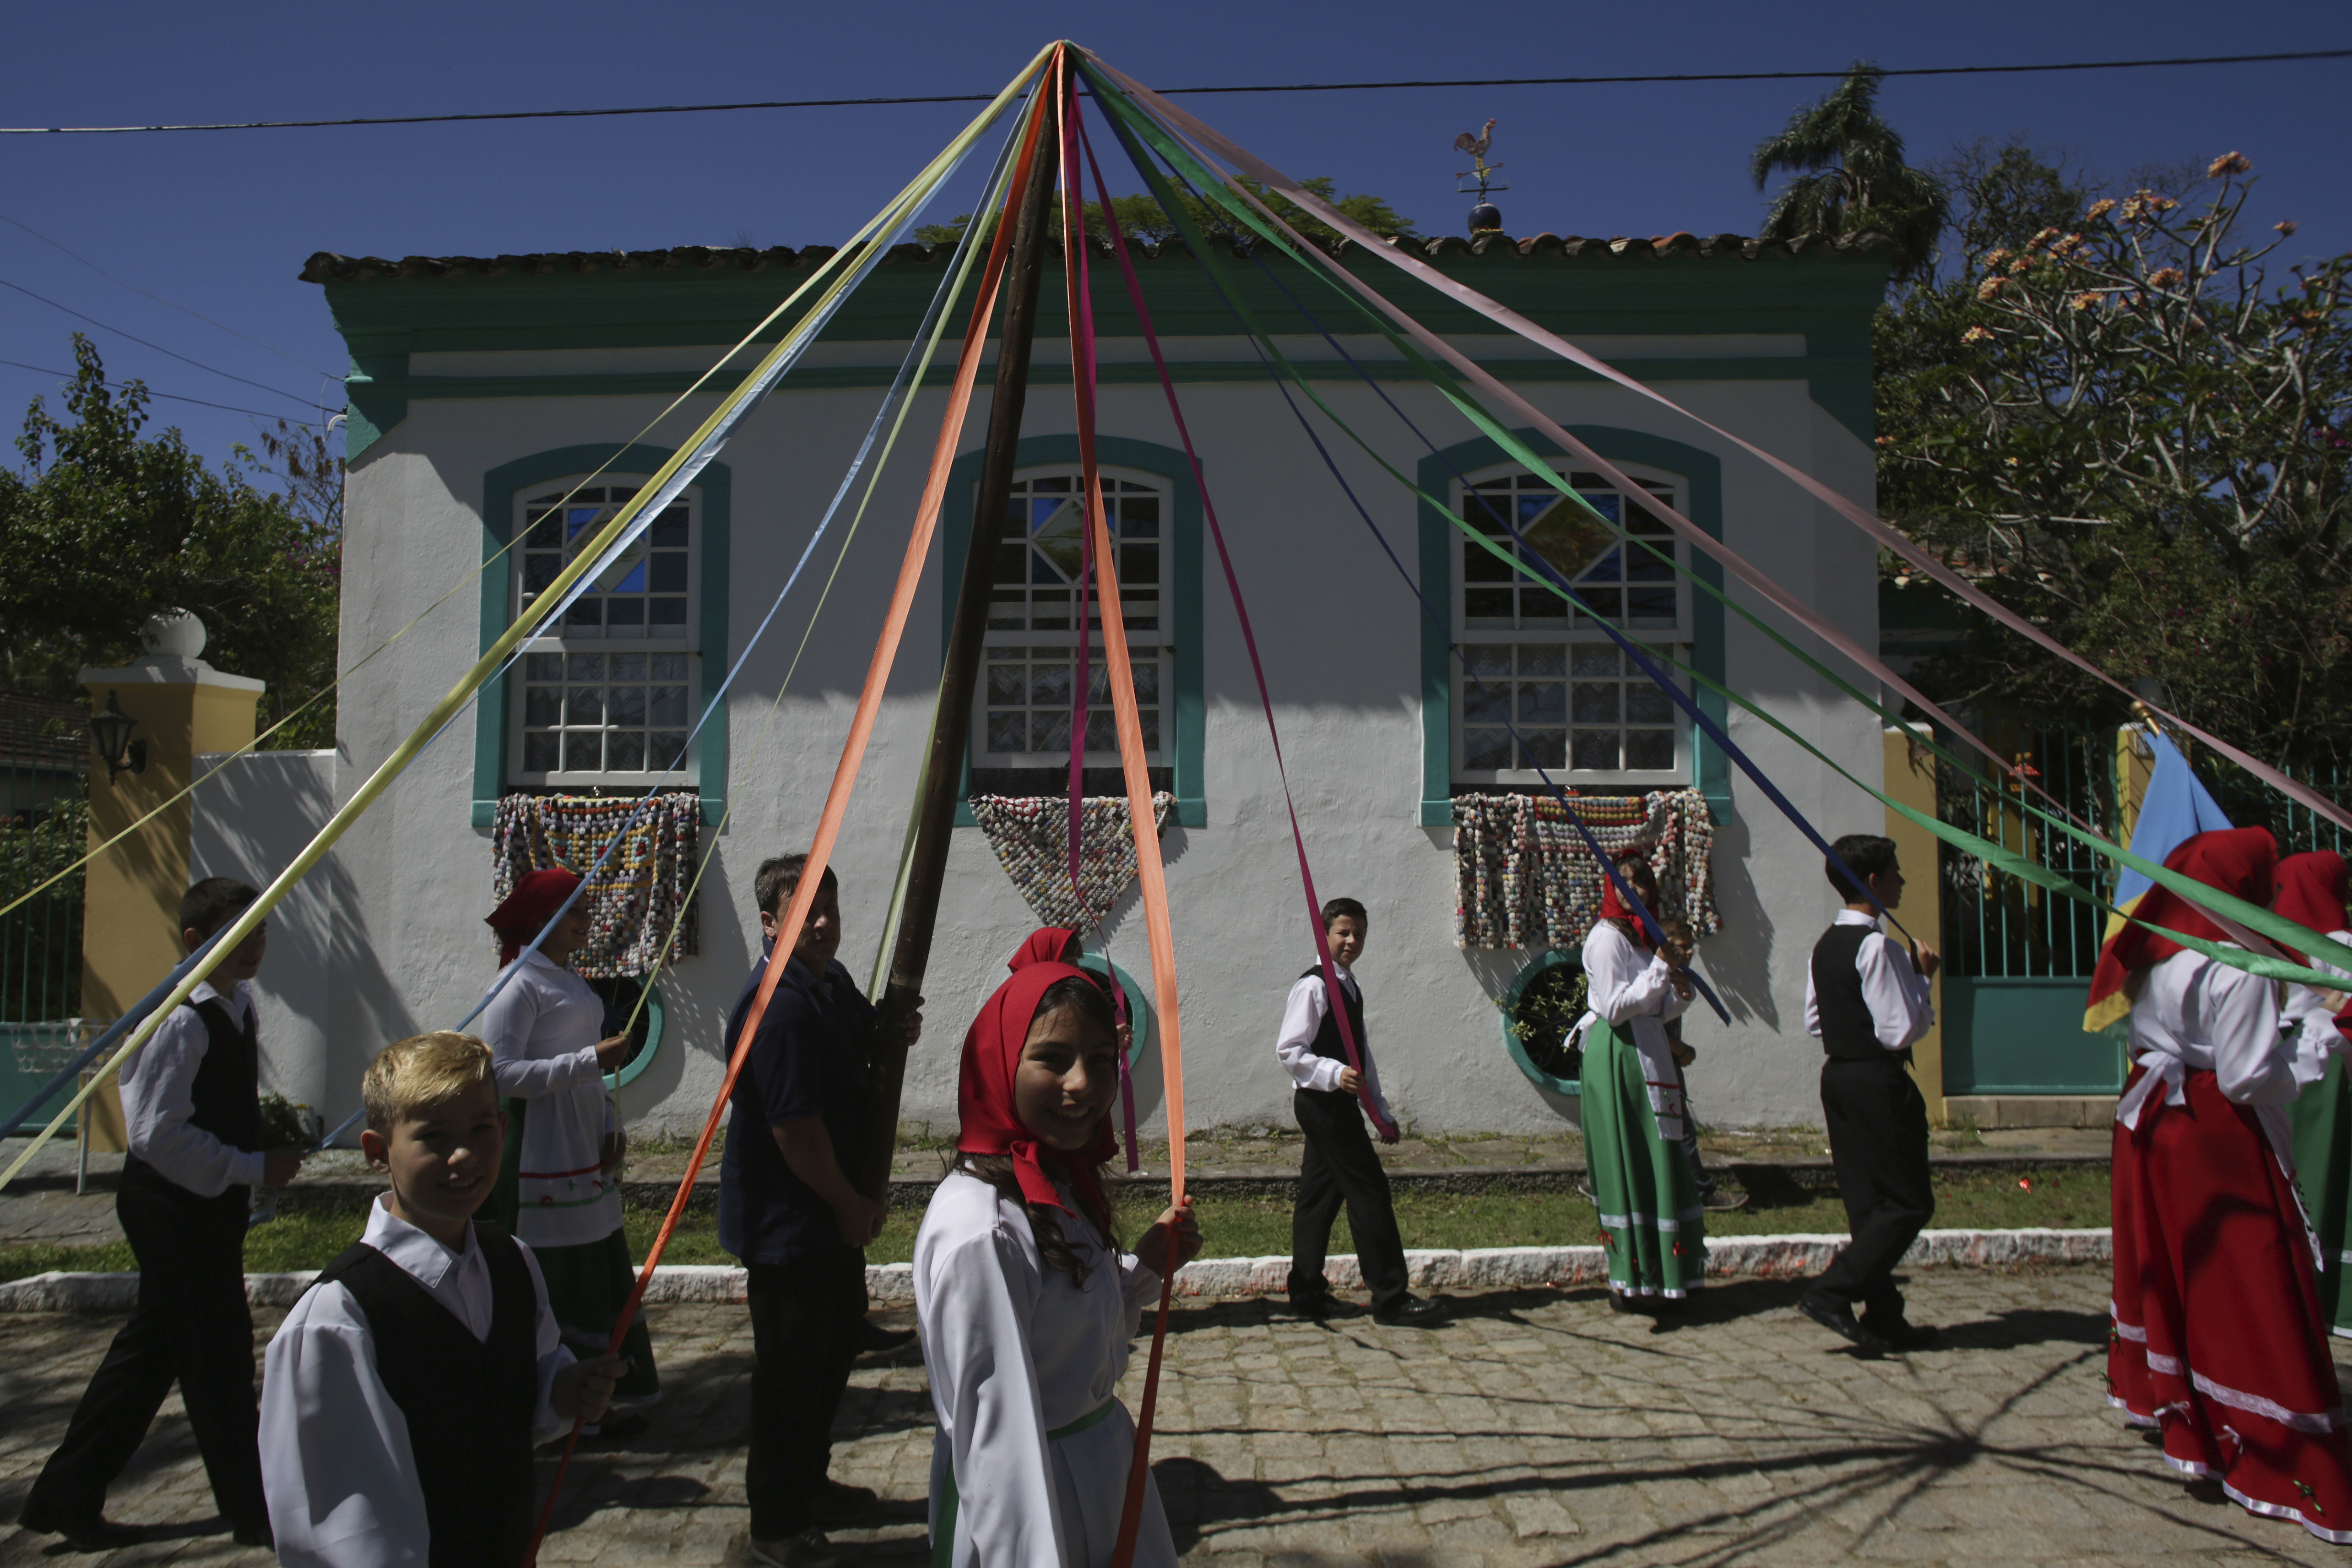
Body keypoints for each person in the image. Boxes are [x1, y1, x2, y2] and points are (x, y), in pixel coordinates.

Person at [261, 1032, 625, 1568]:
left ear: (502, 1129)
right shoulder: (337, 1321)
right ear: (377, 1152)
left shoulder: (512, 1262)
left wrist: (564, 1388)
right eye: (433, 1136)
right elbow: (334, 1528)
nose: (463, 1154)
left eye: (481, 1129)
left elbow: (527, 1382)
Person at [19, 878, 302, 1551]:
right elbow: (156, 1134)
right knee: (219, 1354)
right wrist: (250, 1166)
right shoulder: (179, 1017)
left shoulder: (238, 1006)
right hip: (169, 1207)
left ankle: (67, 1494)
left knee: (154, 1352)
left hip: (207, 1203)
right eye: (239, 935)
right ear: (196, 942)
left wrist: (257, 1149)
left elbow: (215, 1105)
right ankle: (253, 1508)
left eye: (260, 932)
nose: (253, 947)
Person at [914, 954, 1201, 1568]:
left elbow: (1073, 1347)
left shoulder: (1052, 1183)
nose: (1082, 1084)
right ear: (998, 1063)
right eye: (1052, 1058)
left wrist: (1144, 1269)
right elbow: (997, 1442)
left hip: (1096, 1475)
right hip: (1037, 1499)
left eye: (1101, 1061)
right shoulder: (981, 1229)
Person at [2105, 827, 2352, 1541]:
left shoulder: (2157, 946)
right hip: (2218, 1135)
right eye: (2264, 882)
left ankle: (2188, 1415)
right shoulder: (2236, 962)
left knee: (2180, 1271)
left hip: (2158, 1126)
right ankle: (2272, 1442)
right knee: (2252, 1281)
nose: (2272, 894)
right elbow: (2245, 1075)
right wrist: (2312, 1047)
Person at [718, 854, 920, 1568]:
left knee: (832, 1353)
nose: (825, 923)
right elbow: (795, 1132)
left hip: (828, 1218)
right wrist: (848, 1201)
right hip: (790, 1222)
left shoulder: (826, 982)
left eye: (830, 908)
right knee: (789, 1377)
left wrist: (891, 1030)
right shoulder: (775, 1007)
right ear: (771, 923)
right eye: (808, 912)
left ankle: (808, 1482)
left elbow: (860, 1039)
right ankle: (775, 1523)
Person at [475, 867, 658, 1429]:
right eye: (574, 912)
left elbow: (586, 1065)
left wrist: (608, 1122)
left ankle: (598, 1401)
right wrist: (589, 1061)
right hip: (542, 1149)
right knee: (556, 1272)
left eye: (586, 910)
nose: (586, 921)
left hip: (580, 1137)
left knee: (597, 1257)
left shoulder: (569, 979)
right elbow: (499, 1073)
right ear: (541, 919)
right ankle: (561, 1408)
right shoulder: (516, 984)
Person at [1796, 835, 1940, 1355]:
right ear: (1873, 882)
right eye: (1895, 872)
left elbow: (1814, 1020)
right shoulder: (1875, 945)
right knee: (1906, 1200)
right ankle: (1831, 1292)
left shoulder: (1825, 944)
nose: (1901, 880)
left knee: (1867, 1200)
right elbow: (1899, 1030)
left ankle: (1883, 1313)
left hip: (1838, 1076)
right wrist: (1921, 982)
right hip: (1877, 1079)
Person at [1276, 898, 1443, 1326]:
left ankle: (1307, 1291)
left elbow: (1361, 1054)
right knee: (1368, 1190)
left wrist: (1379, 1111)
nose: (1352, 941)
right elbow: (1291, 1050)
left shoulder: (1348, 985)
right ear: (1324, 934)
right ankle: (1390, 1296)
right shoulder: (1314, 986)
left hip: (1339, 1102)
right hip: (1321, 1103)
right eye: (1343, 933)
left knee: (1318, 1198)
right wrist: (1332, 1074)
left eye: (1359, 934)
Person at [1575, 857, 1705, 1308]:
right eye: (1624, 881)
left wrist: (1676, 993)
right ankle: (1632, 1276)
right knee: (1632, 1156)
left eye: (1642, 880)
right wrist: (1657, 972)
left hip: (1647, 1049)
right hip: (1619, 1055)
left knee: (1660, 1156)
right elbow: (1613, 1008)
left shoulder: (1643, 935)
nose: (1637, 889)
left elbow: (1651, 1008)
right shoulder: (1606, 937)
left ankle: (1668, 1272)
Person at [2278, 851, 2352, 1335]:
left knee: (2293, 1175)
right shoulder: (2342, 941)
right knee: (2334, 1176)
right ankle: (2334, 1296)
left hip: (2281, 1070)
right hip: (2334, 1073)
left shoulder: (2270, 935)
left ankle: (2290, 1287)